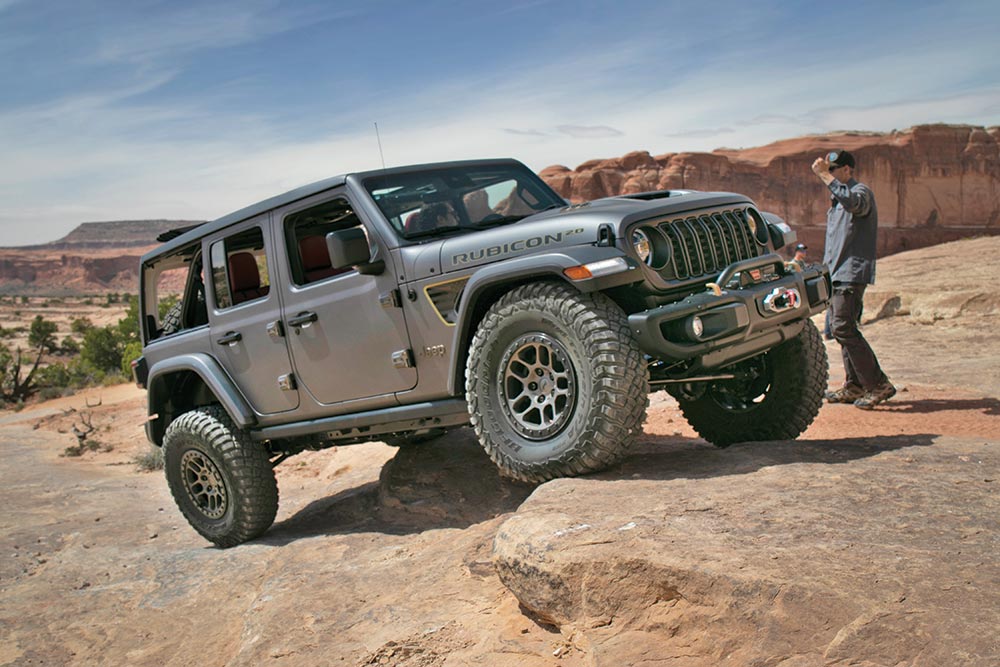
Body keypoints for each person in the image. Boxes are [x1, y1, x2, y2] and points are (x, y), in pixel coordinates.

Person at [811, 149, 895, 409]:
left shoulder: (860, 193)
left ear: (848, 170)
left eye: (835, 170)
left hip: (851, 273)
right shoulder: (837, 203)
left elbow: (855, 204)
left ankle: (878, 384)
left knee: (843, 327)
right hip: (837, 274)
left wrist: (827, 178)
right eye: (830, 171)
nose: (831, 175)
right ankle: (855, 385)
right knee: (842, 329)